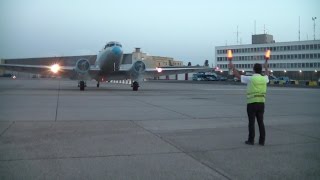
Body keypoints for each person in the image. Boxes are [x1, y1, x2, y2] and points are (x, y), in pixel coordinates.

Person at [229, 62, 269, 146]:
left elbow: (238, 76)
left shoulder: (251, 78)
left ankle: (251, 140)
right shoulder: (264, 79)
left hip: (252, 103)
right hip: (261, 103)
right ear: (260, 70)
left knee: (251, 122)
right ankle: (262, 141)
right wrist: (266, 68)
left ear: (253, 70)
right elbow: (267, 75)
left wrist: (233, 67)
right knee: (261, 122)